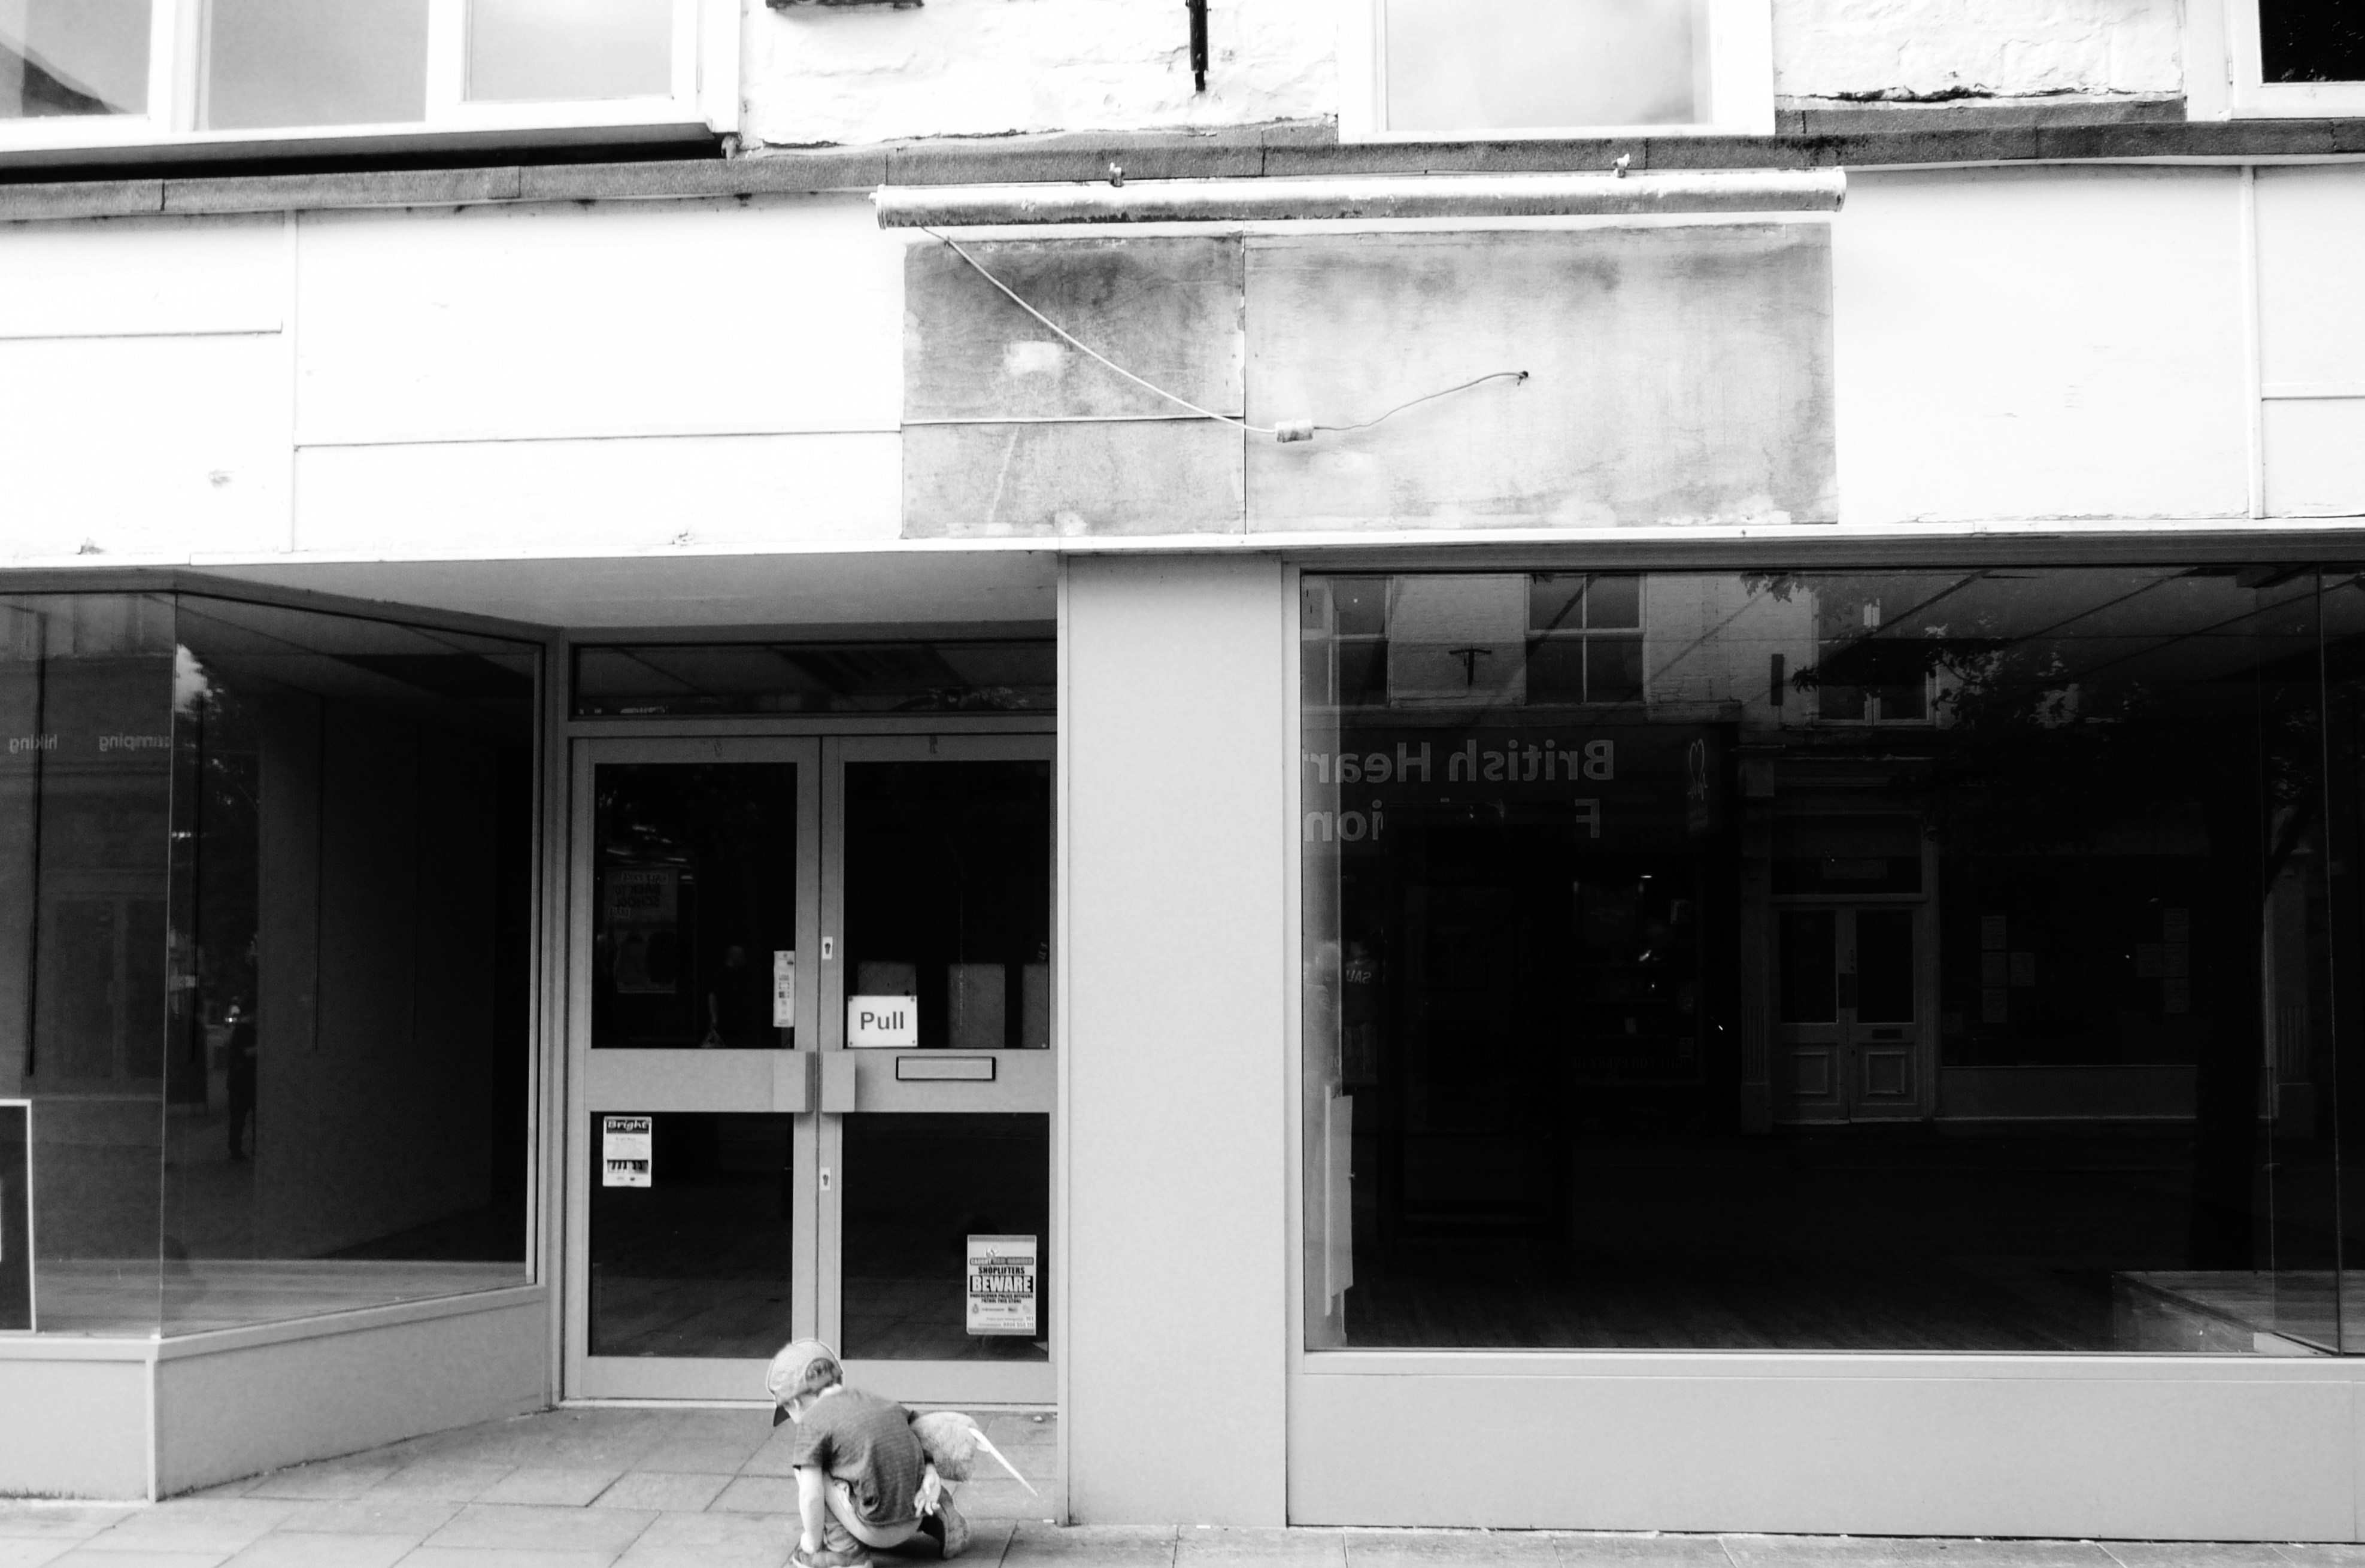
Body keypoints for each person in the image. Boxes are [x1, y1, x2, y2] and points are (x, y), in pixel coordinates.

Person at [768, 1339, 970, 1566]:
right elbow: (920, 1429)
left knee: (810, 1471)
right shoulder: (880, 1403)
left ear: (794, 1402)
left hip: (876, 1530)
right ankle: (943, 1514)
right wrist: (931, 1469)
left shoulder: (813, 1423)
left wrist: (812, 1543)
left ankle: (845, 1552)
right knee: (891, 1447)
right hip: (919, 1511)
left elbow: (811, 1496)